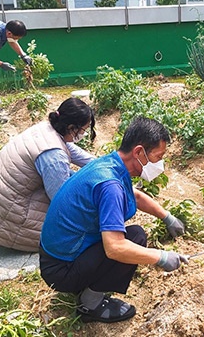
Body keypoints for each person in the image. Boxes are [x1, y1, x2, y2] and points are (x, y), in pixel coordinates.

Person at [39, 116, 188, 323]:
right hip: (61, 272)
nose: (159, 164)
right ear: (138, 152)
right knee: (135, 239)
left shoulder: (111, 164)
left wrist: (167, 217)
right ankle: (89, 305)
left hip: (54, 258)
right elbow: (114, 248)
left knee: (133, 234)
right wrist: (160, 257)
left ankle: (87, 286)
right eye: (158, 156)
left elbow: (134, 195)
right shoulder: (110, 186)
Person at [0, 98, 96, 252]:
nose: (83, 134)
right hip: (5, 215)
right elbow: (61, 199)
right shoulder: (54, 155)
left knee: (74, 179)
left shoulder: (46, 129)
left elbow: (72, 151)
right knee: (82, 224)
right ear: (72, 127)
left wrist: (102, 166)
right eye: (83, 130)